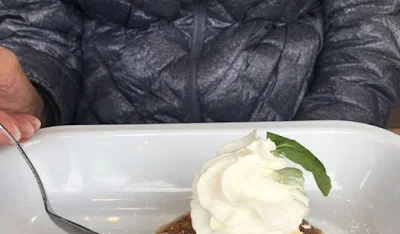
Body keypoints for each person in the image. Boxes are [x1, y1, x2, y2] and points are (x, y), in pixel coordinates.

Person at [0, 0, 399, 145]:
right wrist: (33, 95)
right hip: (100, 159)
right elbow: (37, 21)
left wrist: (322, 148)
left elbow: (366, 30)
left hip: (289, 140)